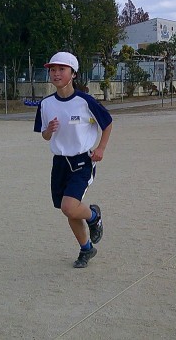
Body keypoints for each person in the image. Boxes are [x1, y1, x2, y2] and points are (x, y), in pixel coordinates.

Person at [34, 52, 113, 268]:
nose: (56, 74)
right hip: (59, 163)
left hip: (81, 162)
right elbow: (44, 135)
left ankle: (94, 216)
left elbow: (107, 123)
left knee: (69, 206)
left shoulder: (85, 101)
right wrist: (49, 130)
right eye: (53, 70)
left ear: (73, 73)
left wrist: (101, 148)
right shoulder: (46, 104)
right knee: (68, 209)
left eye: (62, 69)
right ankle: (86, 249)